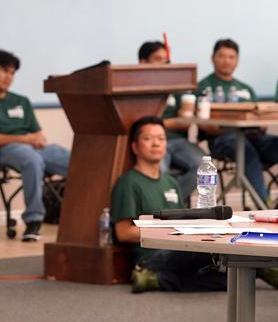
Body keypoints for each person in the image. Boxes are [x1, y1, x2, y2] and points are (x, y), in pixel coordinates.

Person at [111, 116, 227, 293]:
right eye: (148, 139)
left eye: (161, 139)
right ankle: (150, 273)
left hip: (178, 248)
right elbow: (124, 233)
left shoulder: (171, 183)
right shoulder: (128, 182)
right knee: (208, 250)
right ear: (135, 147)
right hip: (152, 256)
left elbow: (181, 222)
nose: (156, 144)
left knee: (235, 274)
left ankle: (157, 280)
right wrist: (166, 230)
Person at [0, 50, 70, 241]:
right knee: (32, 160)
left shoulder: (21, 101)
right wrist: (23, 139)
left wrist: (36, 139)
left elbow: (37, 133)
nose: (8, 77)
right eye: (4, 71)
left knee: (76, 160)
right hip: (8, 150)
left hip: (35, 147)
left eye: (12, 73)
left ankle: (87, 217)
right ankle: (33, 221)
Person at [197, 38, 278, 204]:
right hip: (222, 139)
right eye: (222, 56)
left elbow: (259, 117)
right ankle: (264, 204)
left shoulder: (246, 89)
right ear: (213, 58)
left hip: (253, 137)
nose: (226, 61)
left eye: (231, 57)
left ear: (237, 60)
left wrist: (259, 125)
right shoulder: (203, 87)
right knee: (245, 150)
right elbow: (203, 124)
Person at [137, 40, 205, 205]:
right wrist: (171, 122)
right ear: (143, 62)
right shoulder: (136, 86)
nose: (164, 63)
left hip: (178, 140)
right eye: (158, 59)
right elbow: (140, 124)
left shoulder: (176, 84)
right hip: (153, 140)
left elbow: (186, 119)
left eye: (166, 60)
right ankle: (158, 205)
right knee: (160, 170)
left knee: (204, 167)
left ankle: (169, 204)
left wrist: (180, 118)